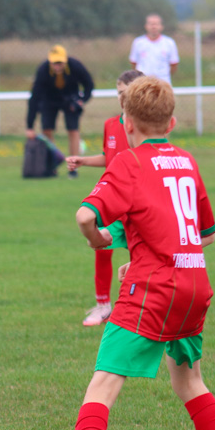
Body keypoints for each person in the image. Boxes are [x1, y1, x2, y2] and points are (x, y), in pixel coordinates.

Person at [48, 76, 215, 430]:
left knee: (103, 383)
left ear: (126, 122)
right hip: (195, 285)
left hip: (154, 290)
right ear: (172, 121)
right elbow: (206, 235)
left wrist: (98, 242)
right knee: (190, 379)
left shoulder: (128, 162)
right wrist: (141, 253)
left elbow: (87, 216)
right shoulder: (186, 160)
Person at [66, 70, 144, 326]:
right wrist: (83, 161)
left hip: (137, 201)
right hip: (112, 199)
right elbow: (109, 157)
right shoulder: (111, 124)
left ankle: (142, 304)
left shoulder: (144, 126)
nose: (121, 97)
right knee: (101, 247)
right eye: (119, 92)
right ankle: (103, 306)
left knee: (142, 252)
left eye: (126, 92)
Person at [25, 45, 94, 178]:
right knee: (47, 131)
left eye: (60, 63)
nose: (57, 66)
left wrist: (82, 99)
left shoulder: (75, 66)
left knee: (73, 130)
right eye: (54, 63)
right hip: (49, 100)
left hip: (70, 99)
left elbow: (89, 84)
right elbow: (34, 98)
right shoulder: (43, 70)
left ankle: (73, 168)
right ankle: (52, 165)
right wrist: (29, 126)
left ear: (65, 61)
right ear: (50, 62)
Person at [129, 14, 179, 85]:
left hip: (163, 83)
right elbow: (134, 63)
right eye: (151, 24)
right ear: (146, 26)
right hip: (143, 83)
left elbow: (174, 64)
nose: (154, 27)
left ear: (161, 26)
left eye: (156, 24)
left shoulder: (169, 43)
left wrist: (162, 75)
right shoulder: (138, 42)